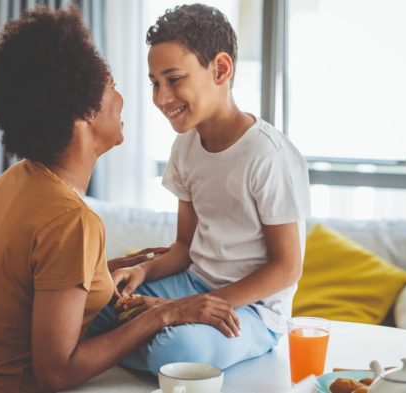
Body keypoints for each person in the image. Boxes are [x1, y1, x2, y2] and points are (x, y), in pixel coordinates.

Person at [0, 6, 240, 393]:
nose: (122, 98)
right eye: (110, 84)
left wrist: (110, 268)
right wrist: (165, 314)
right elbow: (56, 372)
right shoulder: (71, 221)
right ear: (81, 111)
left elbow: (35, 289)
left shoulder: (13, 182)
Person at [87, 3, 311, 374]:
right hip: (192, 283)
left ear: (220, 69)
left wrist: (183, 310)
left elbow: (287, 267)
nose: (161, 98)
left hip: (251, 310)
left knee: (175, 351)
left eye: (174, 79)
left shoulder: (268, 156)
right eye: (155, 83)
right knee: (88, 310)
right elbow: (183, 248)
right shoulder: (186, 147)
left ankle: (129, 345)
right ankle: (134, 339)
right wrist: (143, 273)